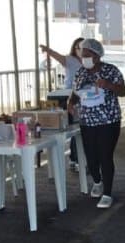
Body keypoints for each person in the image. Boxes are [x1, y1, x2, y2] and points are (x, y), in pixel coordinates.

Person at [67, 38, 125, 209]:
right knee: (91, 157)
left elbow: (123, 91)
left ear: (97, 55)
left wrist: (108, 85)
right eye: (82, 54)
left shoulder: (111, 70)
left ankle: (107, 193)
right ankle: (98, 181)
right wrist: (70, 103)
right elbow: (76, 92)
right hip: (87, 121)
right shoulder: (80, 73)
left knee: (105, 156)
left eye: (88, 55)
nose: (84, 57)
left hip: (109, 120)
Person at [40, 38, 84, 172]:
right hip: (70, 97)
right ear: (74, 48)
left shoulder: (90, 62)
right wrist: (48, 50)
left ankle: (79, 159)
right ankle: (74, 159)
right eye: (78, 47)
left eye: (83, 47)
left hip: (84, 98)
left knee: (80, 129)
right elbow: (59, 58)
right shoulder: (70, 60)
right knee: (73, 128)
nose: (80, 50)